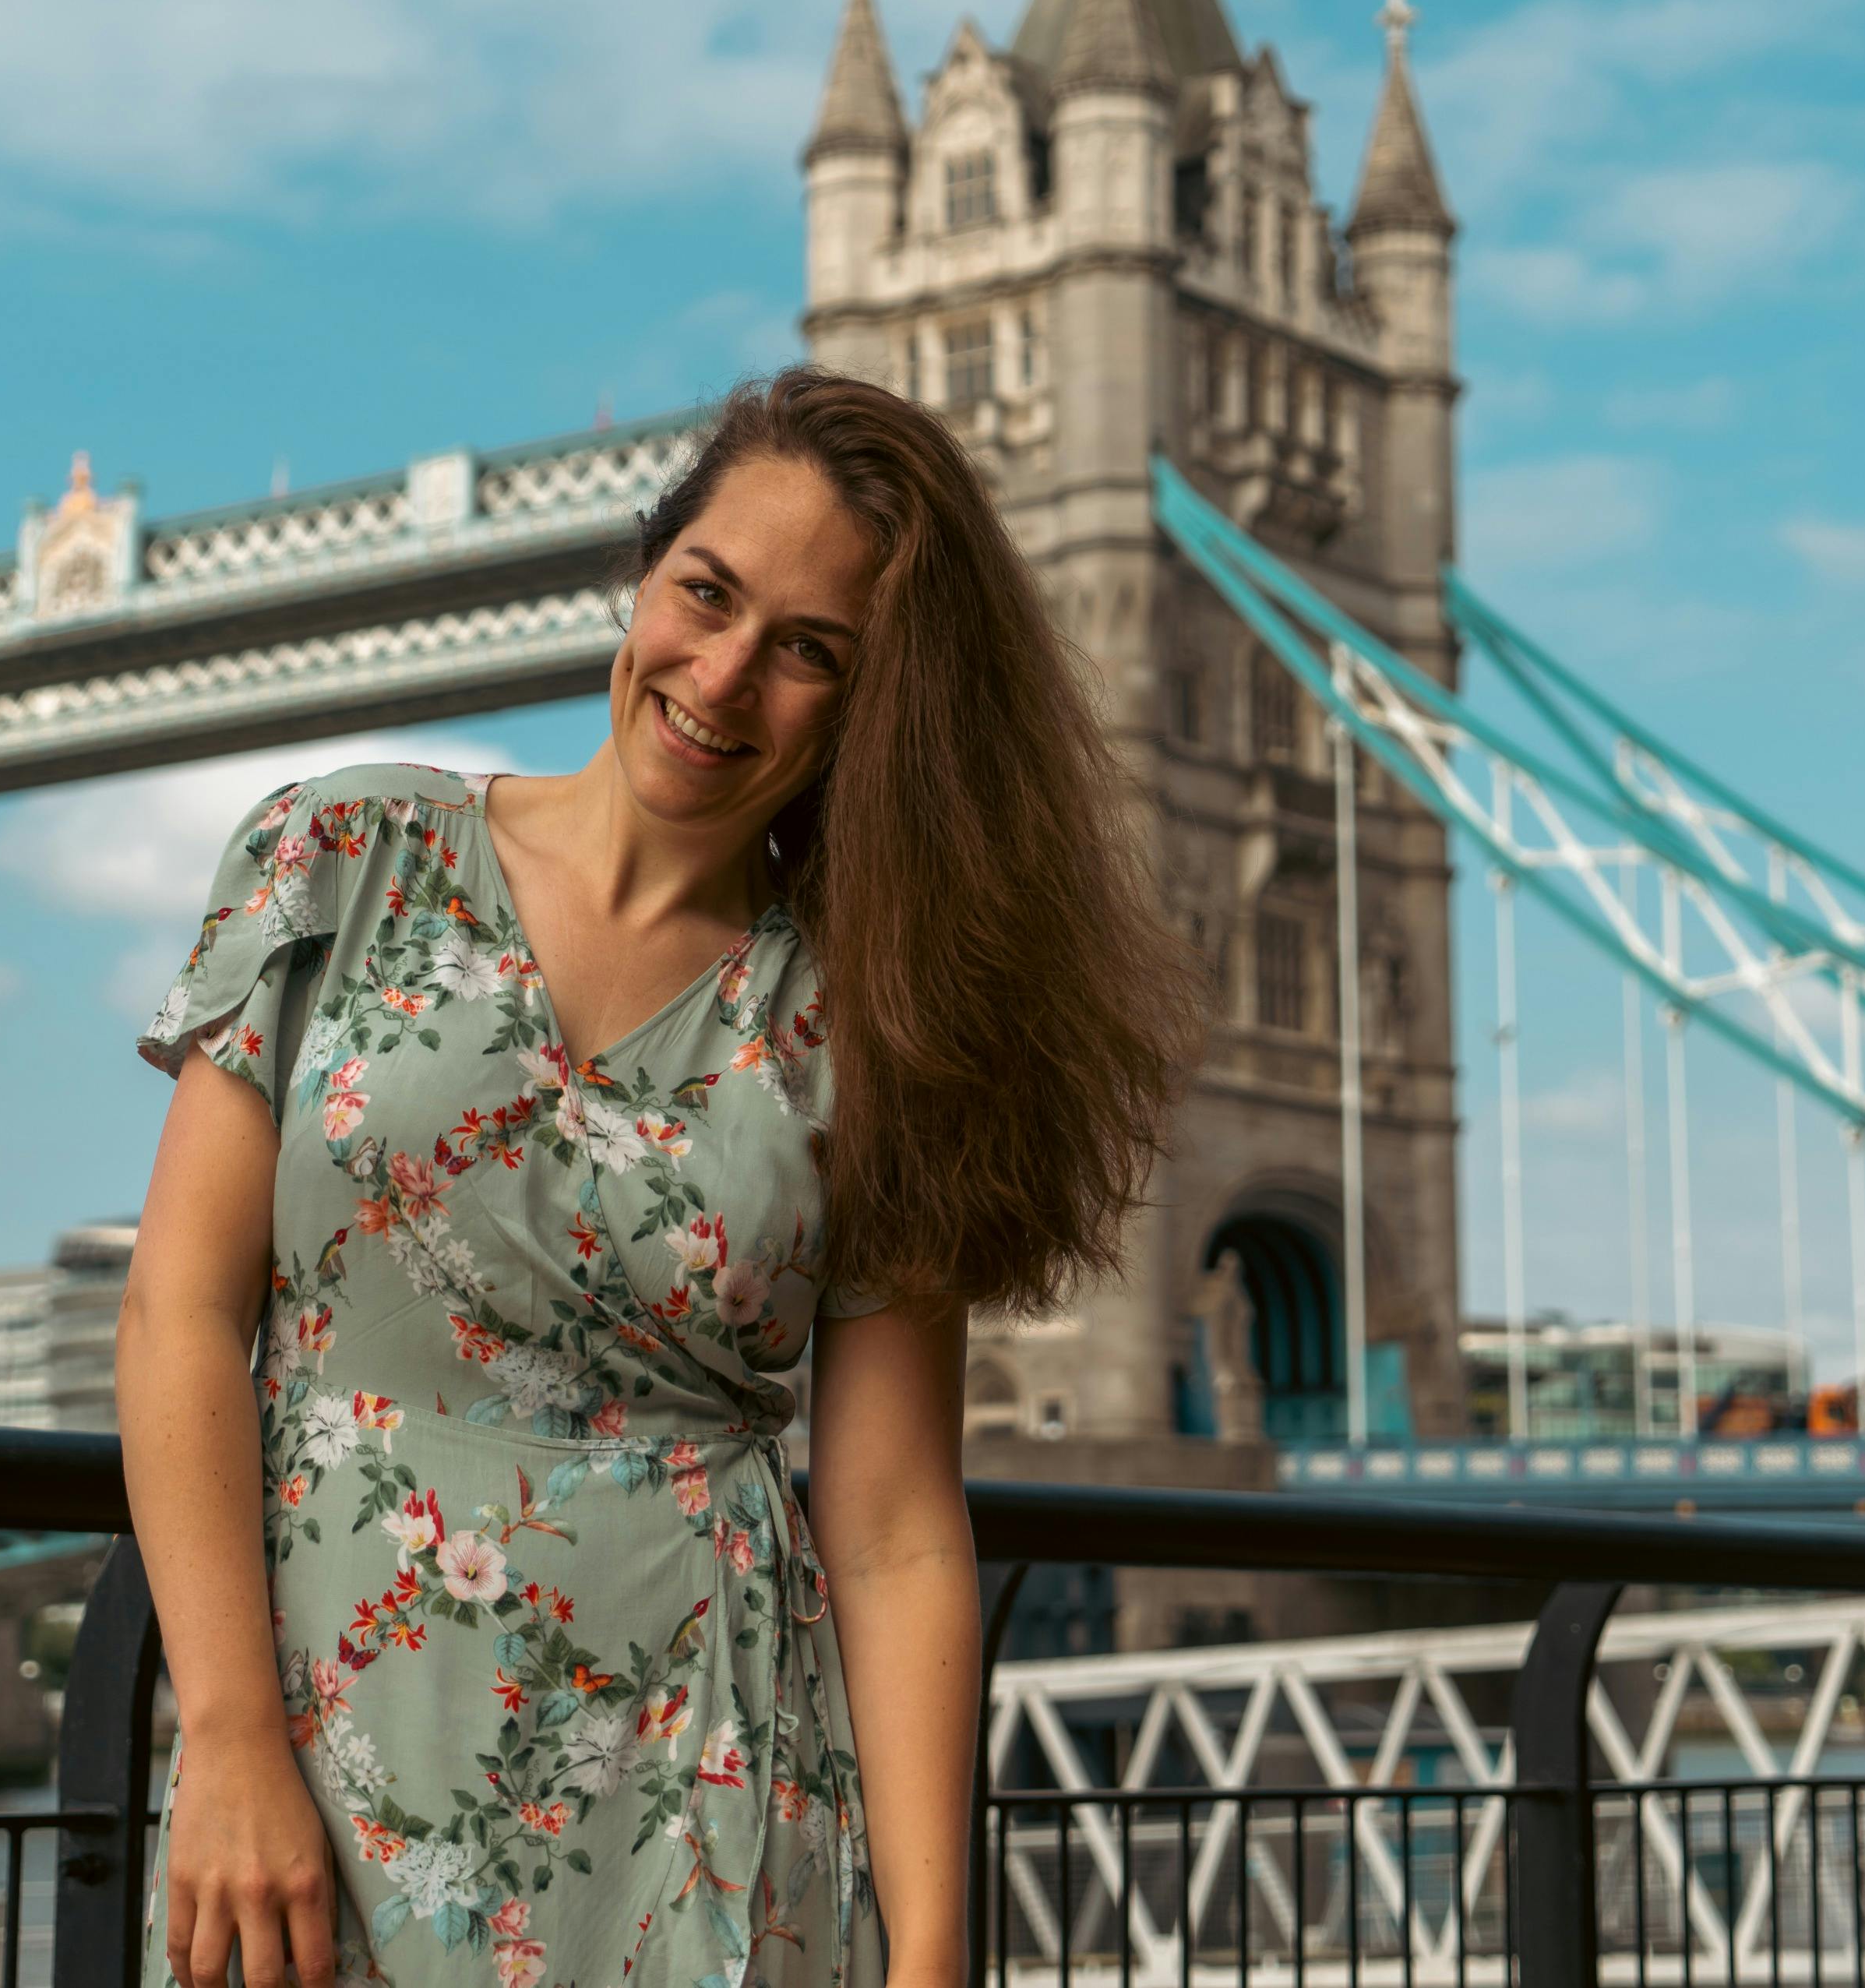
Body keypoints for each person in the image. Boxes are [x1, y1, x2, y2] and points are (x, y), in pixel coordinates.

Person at [116, 364, 1207, 1988]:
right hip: (307, 1789)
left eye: (809, 653)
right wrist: (224, 1736)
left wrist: (931, 1962)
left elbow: (896, 1519)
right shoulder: (338, 859)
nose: (722, 675)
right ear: (643, 572)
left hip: (716, 1806)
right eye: (705, 595)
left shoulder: (874, 1022)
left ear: (867, 706)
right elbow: (178, 1315)